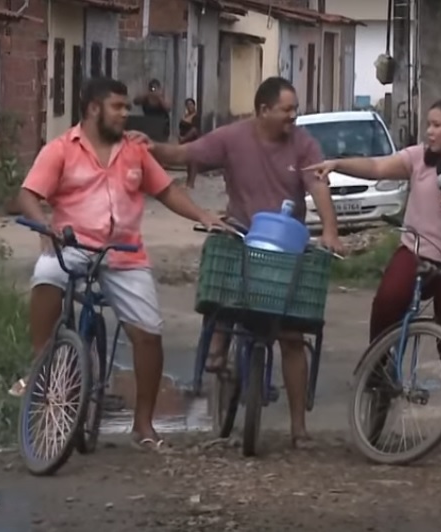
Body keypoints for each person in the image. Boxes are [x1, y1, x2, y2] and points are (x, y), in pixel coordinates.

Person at [132, 77, 344, 448]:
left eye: (296, 110)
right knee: (224, 284)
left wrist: (329, 229)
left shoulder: (303, 144)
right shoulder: (232, 138)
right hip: (243, 233)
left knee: (292, 338)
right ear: (263, 110)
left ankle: (299, 429)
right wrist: (153, 149)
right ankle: (216, 348)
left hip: (286, 245)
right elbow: (187, 154)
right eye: (287, 110)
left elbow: (317, 185)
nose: (294, 117)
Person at [13, 77, 223, 451]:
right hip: (73, 244)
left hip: (125, 253)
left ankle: (143, 424)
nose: (127, 114)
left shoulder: (135, 151)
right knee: (46, 274)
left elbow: (166, 191)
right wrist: (44, 226)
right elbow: (29, 193)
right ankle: (41, 363)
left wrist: (204, 215)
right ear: (94, 109)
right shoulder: (61, 149)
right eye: (119, 107)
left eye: (127, 107)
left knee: (149, 333)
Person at [306, 98, 441, 455]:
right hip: (416, 250)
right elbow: (377, 167)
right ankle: (379, 374)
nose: (428, 131)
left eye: (436, 125)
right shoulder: (417, 159)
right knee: (388, 301)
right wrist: (338, 164)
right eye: (427, 124)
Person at [178, 98, 200, 188]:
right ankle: (188, 181)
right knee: (188, 162)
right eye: (188, 105)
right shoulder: (186, 116)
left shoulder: (196, 117)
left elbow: (194, 130)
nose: (189, 106)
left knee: (192, 161)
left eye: (191, 104)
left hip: (192, 140)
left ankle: (191, 182)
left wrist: (184, 138)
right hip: (185, 140)